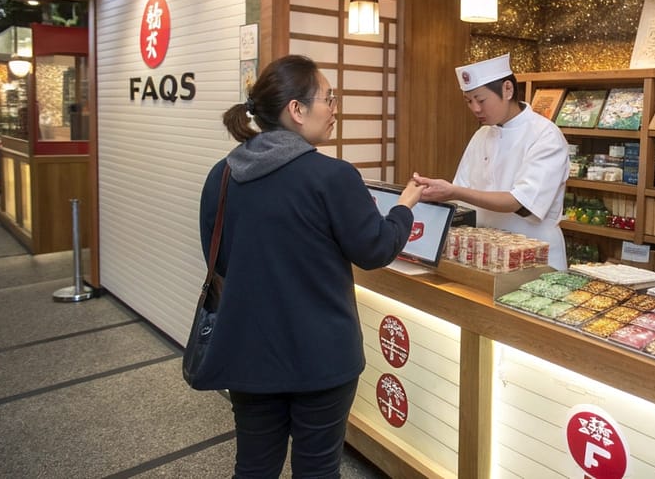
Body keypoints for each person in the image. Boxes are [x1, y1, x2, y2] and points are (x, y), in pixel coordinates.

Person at [195, 54, 423, 478]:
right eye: (329, 99)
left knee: (254, 468)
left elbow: (218, 255)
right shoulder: (332, 177)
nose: (335, 109)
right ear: (296, 110)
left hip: (246, 350)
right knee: (317, 469)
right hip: (320, 356)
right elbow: (374, 250)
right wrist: (404, 208)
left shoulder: (222, 175)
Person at [414, 53, 571, 269]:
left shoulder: (545, 135)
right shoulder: (482, 134)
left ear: (508, 89)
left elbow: (521, 203)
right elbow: (462, 191)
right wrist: (435, 195)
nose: (475, 109)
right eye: (469, 101)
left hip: (535, 253)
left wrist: (453, 191)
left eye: (481, 100)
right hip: (487, 253)